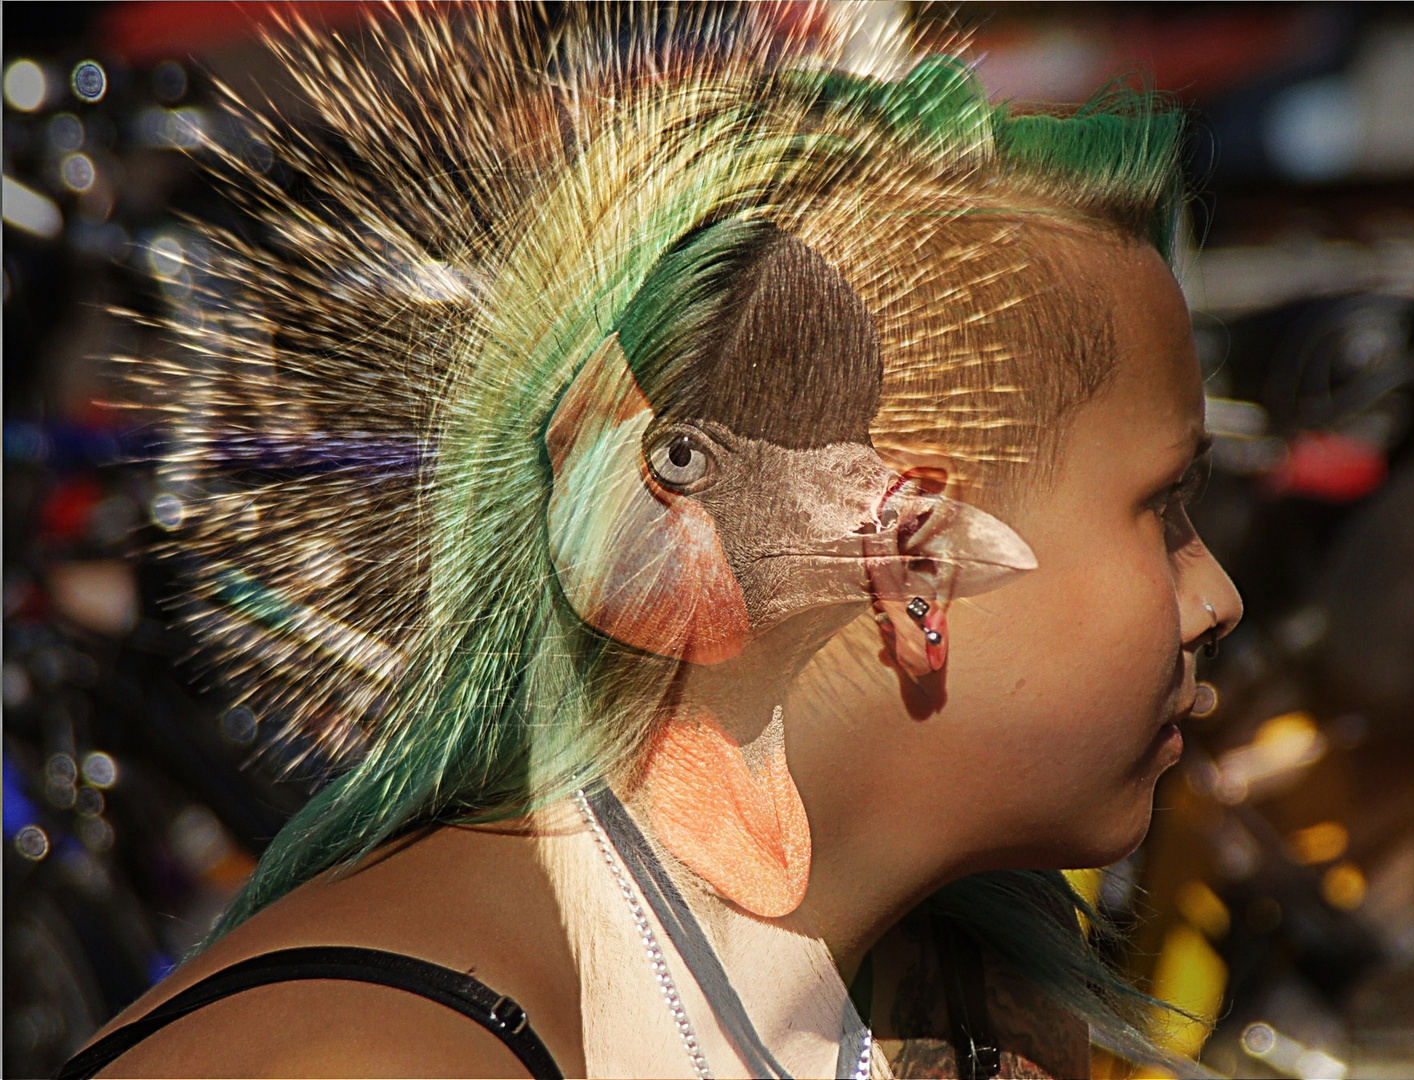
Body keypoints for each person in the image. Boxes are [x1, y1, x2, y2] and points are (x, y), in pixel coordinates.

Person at [63, 6, 1239, 1077]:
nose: (1216, 595)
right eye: (1168, 507)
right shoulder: (373, 1057)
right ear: (909, 554)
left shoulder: (966, 1014)